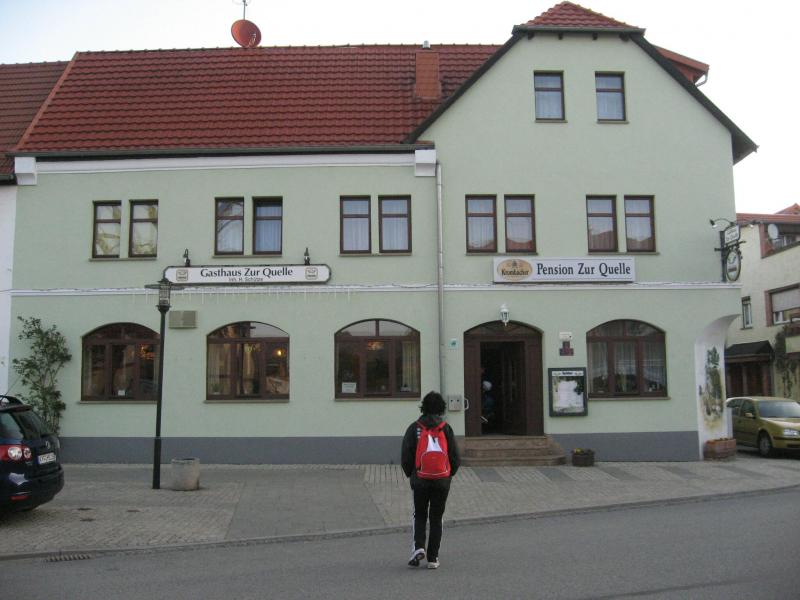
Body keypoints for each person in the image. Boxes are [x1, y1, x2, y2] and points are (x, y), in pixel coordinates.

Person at [401, 390, 460, 570]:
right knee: (436, 517)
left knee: (419, 514)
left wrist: (411, 474)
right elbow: (455, 456)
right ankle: (433, 558)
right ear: (441, 408)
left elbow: (406, 455)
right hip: (441, 480)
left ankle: (419, 547)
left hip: (420, 479)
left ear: (424, 407)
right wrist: (448, 474)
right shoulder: (446, 428)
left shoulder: (414, 428)